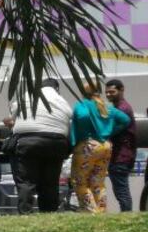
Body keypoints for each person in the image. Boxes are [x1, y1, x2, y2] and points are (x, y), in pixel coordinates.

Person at [9, 79, 73, 213]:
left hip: (28, 141)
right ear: (56, 89)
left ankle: (25, 212)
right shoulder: (61, 100)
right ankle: (49, 212)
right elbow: (69, 115)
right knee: (50, 182)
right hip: (56, 142)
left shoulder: (28, 95)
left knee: (26, 181)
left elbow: (13, 111)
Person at [69, 82, 130, 213]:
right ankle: (101, 211)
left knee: (80, 181)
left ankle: (91, 212)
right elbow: (125, 120)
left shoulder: (82, 105)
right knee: (98, 182)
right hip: (105, 146)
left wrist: (76, 139)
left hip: (87, 146)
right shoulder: (106, 106)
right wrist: (109, 131)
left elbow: (81, 117)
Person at [104, 79, 138, 212]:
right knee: (121, 191)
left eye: (112, 92)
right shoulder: (120, 108)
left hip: (121, 156)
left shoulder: (122, 109)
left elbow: (110, 130)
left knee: (122, 192)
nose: (108, 95)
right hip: (123, 155)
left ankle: (127, 216)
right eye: (106, 92)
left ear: (121, 90)